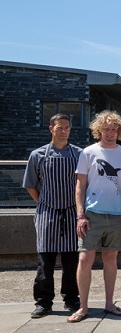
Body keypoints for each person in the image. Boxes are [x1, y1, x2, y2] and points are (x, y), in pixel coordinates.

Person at [70, 110, 121, 322]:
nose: (110, 133)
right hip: (91, 214)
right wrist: (80, 214)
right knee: (85, 258)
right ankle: (83, 307)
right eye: (106, 129)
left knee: (110, 259)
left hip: (116, 215)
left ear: (119, 132)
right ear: (99, 130)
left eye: (114, 129)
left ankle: (109, 303)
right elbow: (80, 184)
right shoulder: (88, 152)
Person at [23, 113, 82, 318]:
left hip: (73, 213)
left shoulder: (79, 154)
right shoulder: (37, 155)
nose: (64, 131)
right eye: (60, 127)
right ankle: (43, 302)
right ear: (51, 129)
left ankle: (72, 299)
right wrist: (43, 203)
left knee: (71, 261)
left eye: (67, 127)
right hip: (47, 212)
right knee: (45, 261)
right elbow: (30, 184)